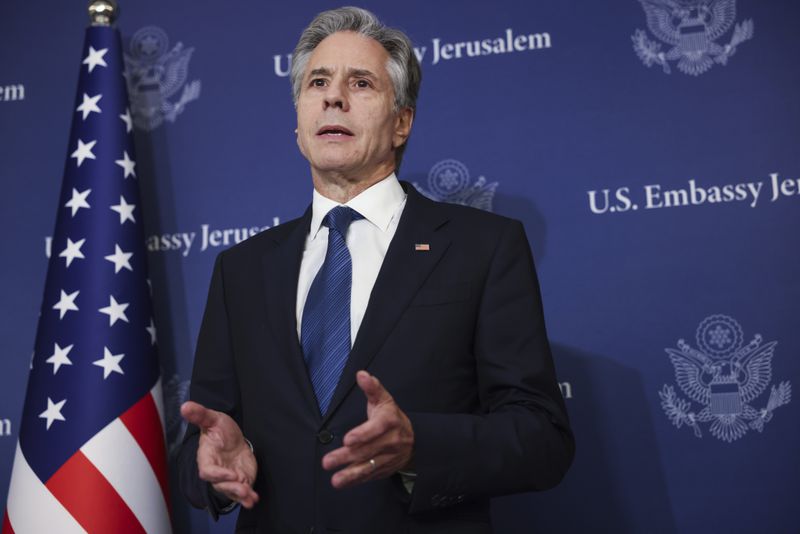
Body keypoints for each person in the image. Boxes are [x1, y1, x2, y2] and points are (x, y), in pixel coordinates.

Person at [178, 6, 574, 533]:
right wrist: (217, 465)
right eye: (318, 82)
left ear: (402, 122)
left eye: (360, 83)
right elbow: (203, 440)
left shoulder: (484, 247)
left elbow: (542, 438)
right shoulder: (241, 270)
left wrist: (418, 445)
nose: (333, 96)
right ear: (298, 123)